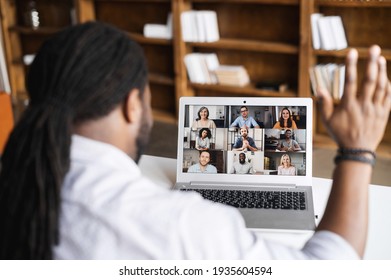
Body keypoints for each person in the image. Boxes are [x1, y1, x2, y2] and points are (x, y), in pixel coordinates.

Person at [0, 21, 390, 260]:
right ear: (133, 104)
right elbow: (331, 266)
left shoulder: (16, 178)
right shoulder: (180, 225)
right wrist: (357, 150)